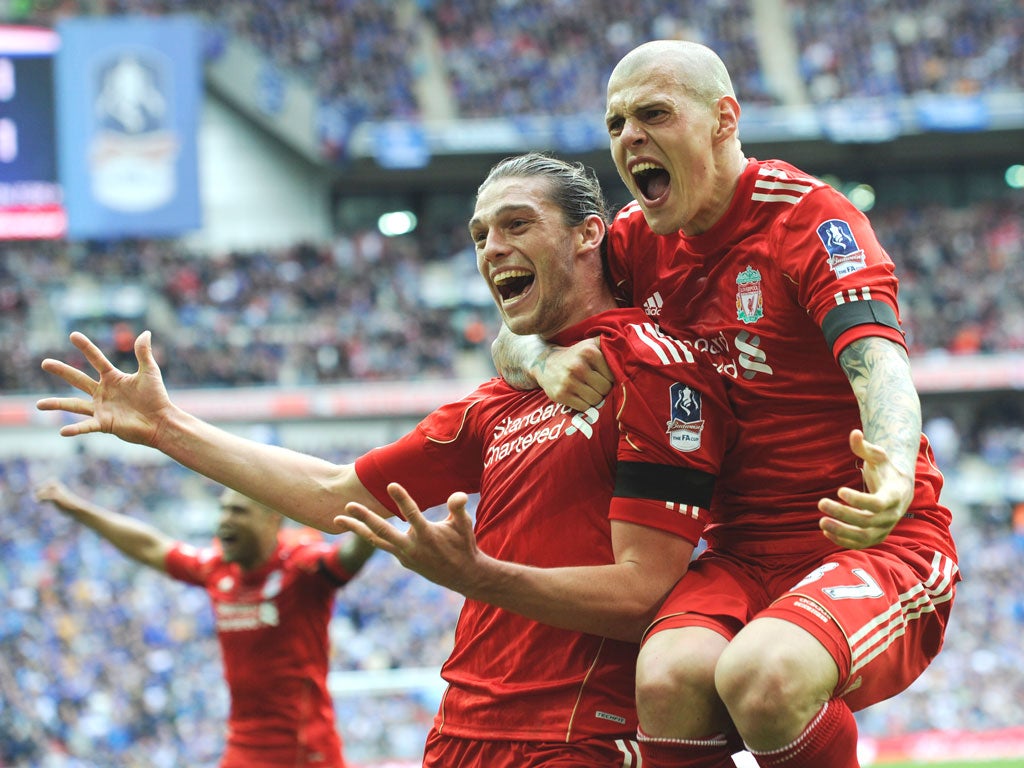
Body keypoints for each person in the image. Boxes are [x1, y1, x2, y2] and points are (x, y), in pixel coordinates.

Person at [37, 152, 737, 767]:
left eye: (516, 225)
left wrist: (480, 577)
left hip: (576, 736)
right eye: (479, 235)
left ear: (589, 234)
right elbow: (335, 494)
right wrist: (169, 428)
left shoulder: (650, 370)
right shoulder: (494, 403)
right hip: (460, 732)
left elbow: (645, 596)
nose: (492, 248)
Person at [492, 41, 960, 768]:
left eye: (653, 114)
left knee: (762, 675)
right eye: (615, 124)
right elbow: (514, 331)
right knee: (668, 678)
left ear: (722, 120)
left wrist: (894, 469)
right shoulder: (633, 242)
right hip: (739, 551)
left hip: (872, 540)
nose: (629, 138)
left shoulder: (808, 219)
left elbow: (880, 361)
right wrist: (543, 357)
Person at [34, 479, 375, 768]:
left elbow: (347, 557)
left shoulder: (300, 570)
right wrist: (78, 509)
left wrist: (376, 510)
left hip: (305, 751)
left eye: (238, 511)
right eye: (223, 510)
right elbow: (151, 546)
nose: (224, 520)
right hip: (242, 747)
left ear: (272, 520)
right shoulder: (216, 568)